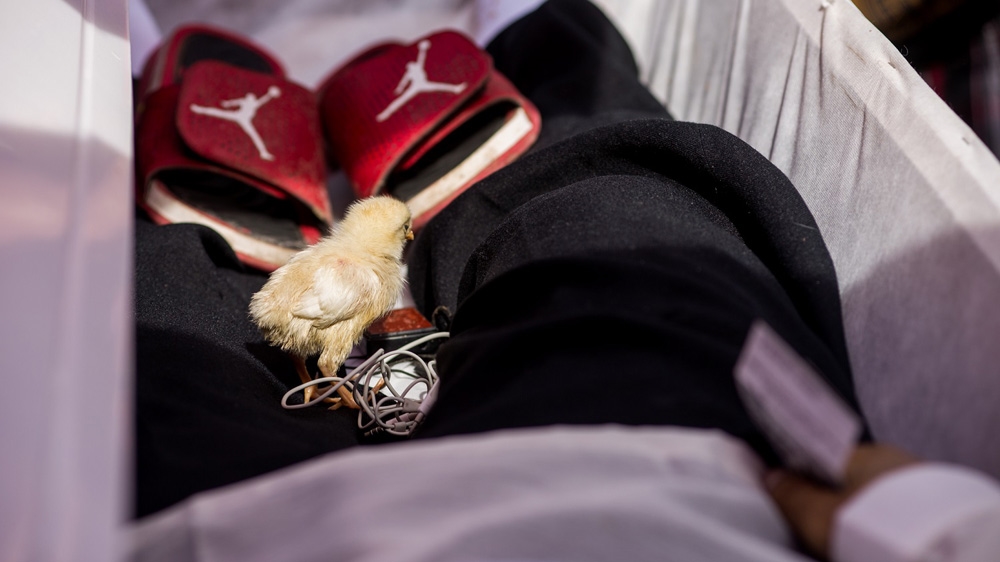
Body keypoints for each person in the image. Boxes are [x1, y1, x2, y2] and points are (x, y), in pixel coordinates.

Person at [132, 1, 1000, 561]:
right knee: (616, 214)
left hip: (219, 529)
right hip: (648, 488)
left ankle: (148, 106)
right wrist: (931, 530)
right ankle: (526, 40)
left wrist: (931, 529)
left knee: (146, 320)